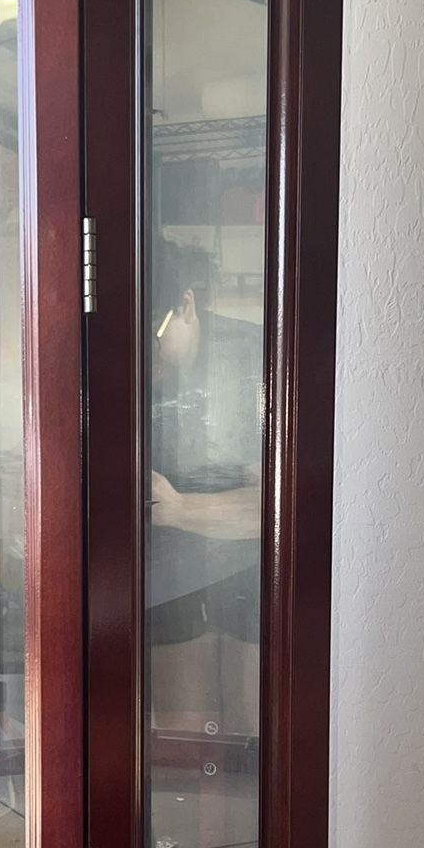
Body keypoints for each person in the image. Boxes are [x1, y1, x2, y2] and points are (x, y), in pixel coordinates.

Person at [145, 238, 262, 741]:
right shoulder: (133, 366)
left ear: (185, 307)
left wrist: (179, 509)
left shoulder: (252, 360)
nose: (147, 359)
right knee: (183, 737)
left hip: (252, 572)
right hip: (165, 575)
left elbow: (283, 505)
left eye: (153, 338)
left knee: (249, 731)